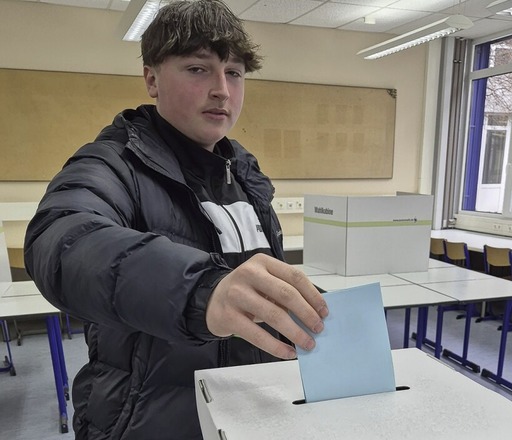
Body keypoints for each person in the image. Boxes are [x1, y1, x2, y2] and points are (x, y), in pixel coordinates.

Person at [23, 1, 328, 439]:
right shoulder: (112, 163)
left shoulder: (244, 173)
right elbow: (63, 240)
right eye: (198, 69)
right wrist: (201, 289)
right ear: (151, 78)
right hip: (149, 419)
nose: (223, 89)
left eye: (235, 72)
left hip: (247, 411)